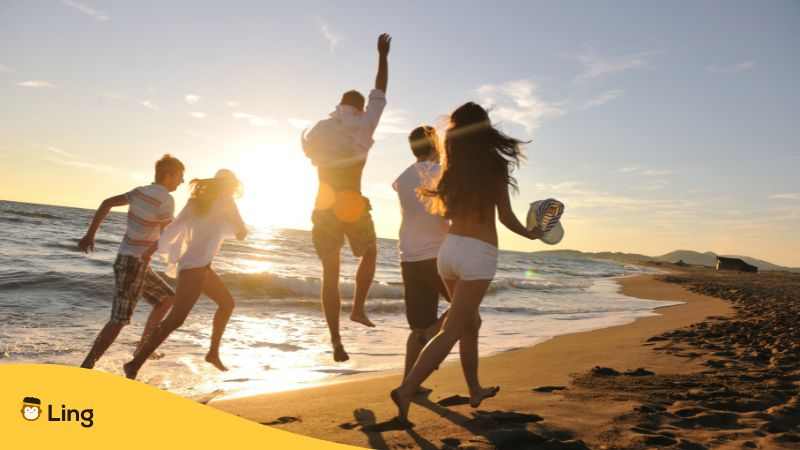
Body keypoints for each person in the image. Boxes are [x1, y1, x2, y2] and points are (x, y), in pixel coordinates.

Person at [390, 102, 544, 425]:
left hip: (449, 253)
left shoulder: (450, 166)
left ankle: (474, 390)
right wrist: (530, 235)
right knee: (450, 330)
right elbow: (505, 216)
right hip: (478, 254)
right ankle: (406, 389)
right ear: (485, 128)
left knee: (470, 324)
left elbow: (445, 213)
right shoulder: (495, 165)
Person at [301, 33, 391, 362]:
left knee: (329, 276)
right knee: (370, 253)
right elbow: (380, 92)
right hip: (351, 203)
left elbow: (309, 152)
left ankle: (336, 340)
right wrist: (382, 56)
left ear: (339, 104)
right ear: (360, 107)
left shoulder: (321, 129)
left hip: (323, 205)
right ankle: (358, 308)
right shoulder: (363, 125)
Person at [123, 169, 248, 380]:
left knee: (227, 303)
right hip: (196, 268)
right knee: (175, 319)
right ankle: (134, 364)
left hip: (195, 265)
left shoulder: (195, 201)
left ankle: (212, 353)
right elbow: (242, 232)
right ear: (229, 185)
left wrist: (149, 251)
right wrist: (233, 226)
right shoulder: (226, 201)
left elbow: (172, 229)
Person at [79, 154, 185, 369]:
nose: (181, 182)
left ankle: (142, 347)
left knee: (166, 299)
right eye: (179, 177)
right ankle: (87, 366)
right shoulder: (166, 199)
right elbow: (167, 234)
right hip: (133, 263)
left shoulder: (139, 192)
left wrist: (90, 234)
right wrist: (151, 252)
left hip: (131, 261)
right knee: (119, 319)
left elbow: (106, 203)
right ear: (168, 176)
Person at [393, 126, 451, 391]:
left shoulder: (402, 177)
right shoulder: (440, 174)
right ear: (434, 146)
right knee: (466, 307)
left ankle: (409, 382)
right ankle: (430, 335)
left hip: (409, 257)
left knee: (417, 326)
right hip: (436, 255)